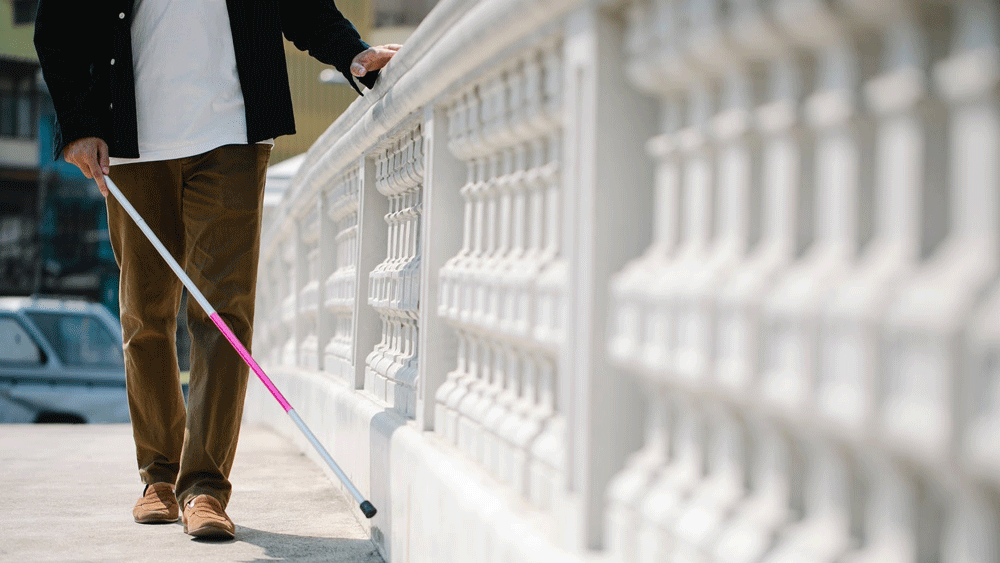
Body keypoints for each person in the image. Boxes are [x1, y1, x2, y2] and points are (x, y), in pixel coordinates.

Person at [34, 0, 399, 540]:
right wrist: (78, 125)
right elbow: (59, 27)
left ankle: (205, 486)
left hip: (232, 134)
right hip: (132, 143)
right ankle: (159, 476)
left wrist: (352, 53)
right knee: (146, 315)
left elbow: (301, 6)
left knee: (223, 313)